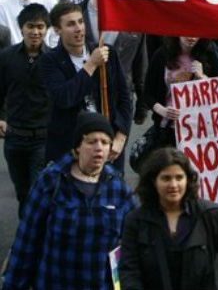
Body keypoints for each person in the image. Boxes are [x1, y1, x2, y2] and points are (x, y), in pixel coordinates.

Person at [2, 111, 136, 290]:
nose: (99, 148)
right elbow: (27, 240)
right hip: (57, 281)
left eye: (105, 142)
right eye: (91, 141)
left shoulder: (118, 190)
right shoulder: (51, 181)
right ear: (78, 146)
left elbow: (134, 244)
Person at [120, 148, 218, 290]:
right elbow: (129, 270)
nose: (173, 185)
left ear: (188, 180)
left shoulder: (209, 215)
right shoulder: (136, 221)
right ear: (154, 181)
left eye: (179, 177)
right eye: (166, 178)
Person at [38, 1, 132, 168]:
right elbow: (64, 98)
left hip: (107, 147)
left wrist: (121, 137)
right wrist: (91, 65)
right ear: (57, 30)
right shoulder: (49, 60)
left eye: (81, 21)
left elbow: (124, 98)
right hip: (69, 148)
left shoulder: (107, 53)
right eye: (71, 24)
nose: (79, 28)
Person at [0, 3, 50, 215]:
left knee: (35, 193)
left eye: (40, 27)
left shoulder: (54, 60)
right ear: (21, 28)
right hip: (14, 138)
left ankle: (31, 243)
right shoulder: (6, 57)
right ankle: (26, 237)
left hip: (43, 139)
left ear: (47, 29)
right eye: (31, 26)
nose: (36, 32)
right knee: (22, 193)